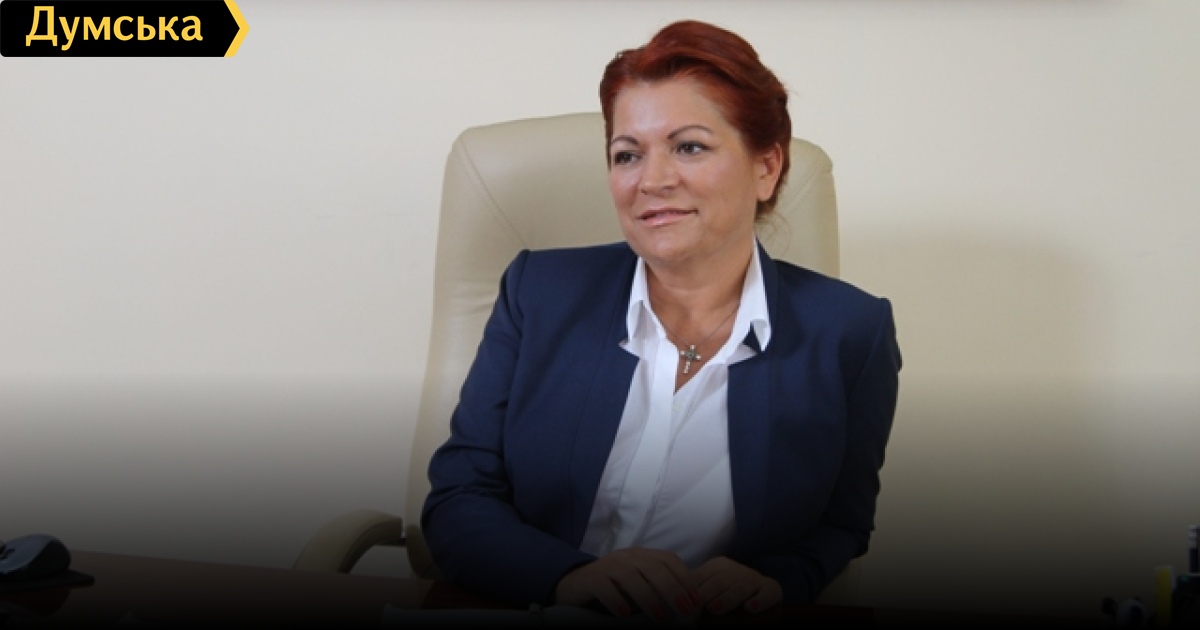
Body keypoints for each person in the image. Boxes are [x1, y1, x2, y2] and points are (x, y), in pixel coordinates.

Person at [422, 20, 901, 621]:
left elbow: (840, 525)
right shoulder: (538, 292)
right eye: (627, 155)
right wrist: (568, 576)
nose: (651, 181)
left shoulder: (852, 332)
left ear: (766, 167)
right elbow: (459, 499)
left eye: (689, 147)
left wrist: (774, 581)